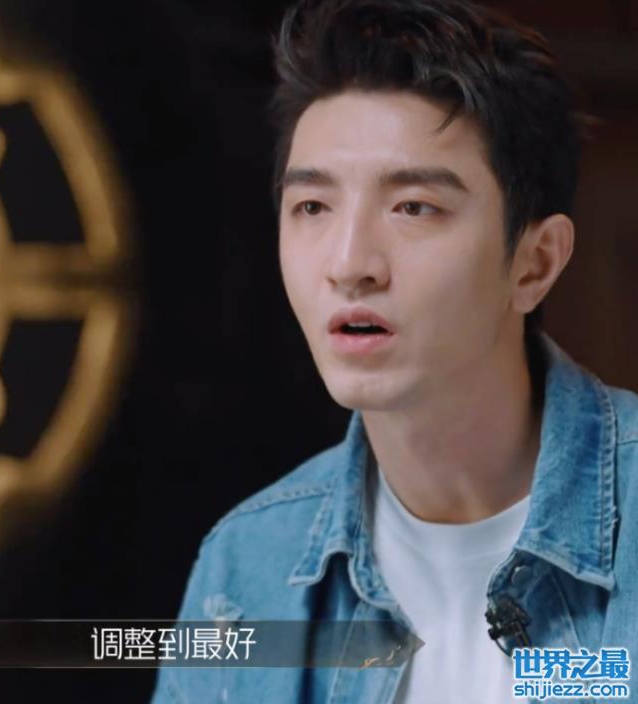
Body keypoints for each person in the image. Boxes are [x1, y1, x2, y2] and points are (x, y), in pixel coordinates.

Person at [150, 0, 638, 702]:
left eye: (414, 207)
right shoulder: (248, 569)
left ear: (534, 264)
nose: (349, 265)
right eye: (313, 207)